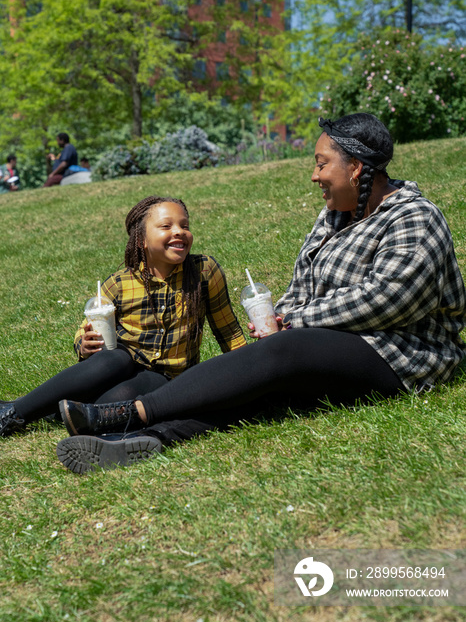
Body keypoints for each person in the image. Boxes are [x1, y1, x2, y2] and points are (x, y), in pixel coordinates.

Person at [55, 112, 466, 474]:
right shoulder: (334, 217)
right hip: (334, 345)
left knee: (286, 352)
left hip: (405, 354)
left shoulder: (414, 216)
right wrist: (282, 315)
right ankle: (144, 439)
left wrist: (294, 323)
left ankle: (127, 414)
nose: (315, 175)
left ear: (356, 167)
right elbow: (301, 286)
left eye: (322, 164)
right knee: (263, 388)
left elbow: (389, 299)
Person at [0, 195, 247, 443]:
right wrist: (83, 345)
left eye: (184, 225)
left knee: (121, 395)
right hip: (118, 365)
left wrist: (248, 373)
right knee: (116, 358)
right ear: (141, 239)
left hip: (169, 379)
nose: (179, 232)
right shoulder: (119, 283)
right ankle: (12, 413)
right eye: (166, 226)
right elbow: (84, 330)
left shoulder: (203, 271)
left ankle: (57, 409)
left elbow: (227, 330)